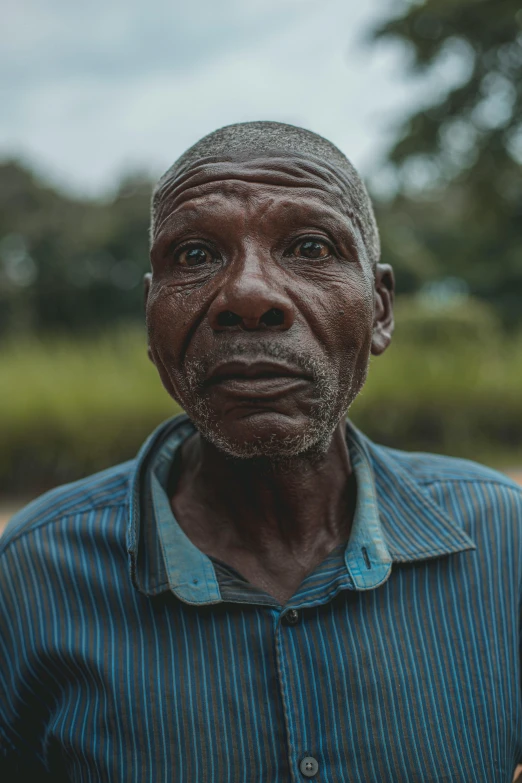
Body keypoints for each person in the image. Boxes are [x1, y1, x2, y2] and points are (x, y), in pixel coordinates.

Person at [1, 121, 521, 783]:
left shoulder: (503, 543)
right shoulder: (35, 574)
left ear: (381, 309)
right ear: (150, 319)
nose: (250, 295)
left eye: (309, 246)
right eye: (193, 255)